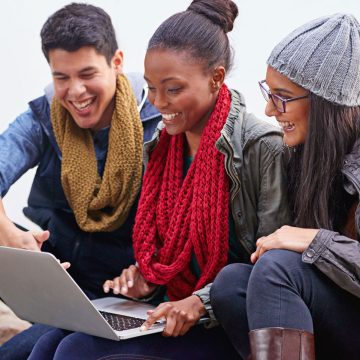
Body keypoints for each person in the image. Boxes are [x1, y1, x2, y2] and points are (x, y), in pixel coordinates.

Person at [27, 0, 291, 359]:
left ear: (215, 78)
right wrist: (146, 283)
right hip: (168, 311)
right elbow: (175, 254)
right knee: (55, 346)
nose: (158, 102)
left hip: (224, 323)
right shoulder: (161, 149)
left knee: (73, 354)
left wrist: (199, 302)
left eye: (173, 89)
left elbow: (269, 269)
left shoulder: (263, 148)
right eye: (151, 88)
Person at [0, 3, 161, 359]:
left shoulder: (160, 124)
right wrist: (10, 236)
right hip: (58, 281)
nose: (75, 91)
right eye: (61, 77)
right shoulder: (43, 117)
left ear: (116, 62)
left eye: (87, 74)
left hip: (123, 295)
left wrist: (149, 279)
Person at [210, 13, 360, 360]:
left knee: (278, 268)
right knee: (232, 284)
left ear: (326, 104)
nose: (268, 108)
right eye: (268, 91)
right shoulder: (303, 157)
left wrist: (315, 240)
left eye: (282, 96)